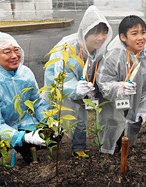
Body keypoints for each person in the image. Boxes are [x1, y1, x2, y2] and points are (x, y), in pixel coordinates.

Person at [0, 32, 49, 168]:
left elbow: (37, 102)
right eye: (7, 52)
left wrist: (48, 121)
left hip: (21, 122)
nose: (14, 56)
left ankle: (27, 151)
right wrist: (23, 137)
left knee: (48, 135)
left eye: (16, 50)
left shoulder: (25, 74)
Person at [44, 5, 112, 158]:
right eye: (96, 34)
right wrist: (75, 88)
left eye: (104, 33)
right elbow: (61, 77)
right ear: (85, 32)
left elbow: (102, 71)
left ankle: (78, 148)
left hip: (82, 87)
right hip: (60, 89)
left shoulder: (99, 49)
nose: (101, 38)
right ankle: (50, 150)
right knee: (59, 118)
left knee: (80, 116)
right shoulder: (68, 48)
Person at [96, 15, 146, 154]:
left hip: (134, 99)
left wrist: (142, 108)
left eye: (143, 32)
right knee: (113, 124)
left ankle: (127, 149)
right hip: (114, 101)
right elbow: (104, 82)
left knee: (133, 123)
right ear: (123, 37)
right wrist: (119, 87)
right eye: (134, 33)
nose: (140, 37)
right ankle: (108, 152)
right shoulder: (114, 54)